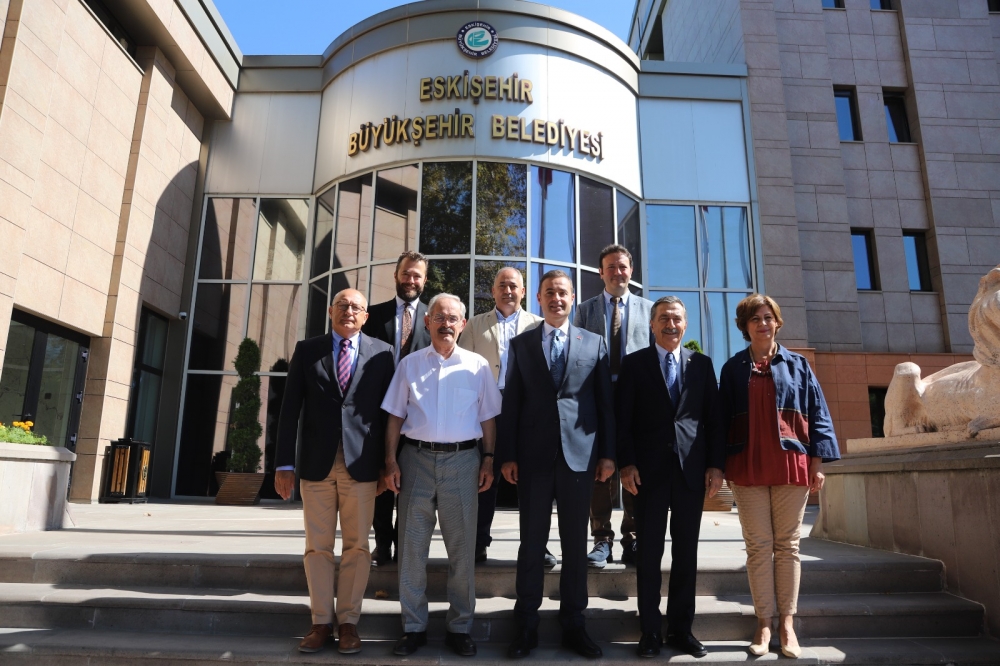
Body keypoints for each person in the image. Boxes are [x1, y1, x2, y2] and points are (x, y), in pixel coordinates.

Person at [498, 269, 616, 660]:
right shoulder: (521, 344)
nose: (556, 298)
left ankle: (574, 625)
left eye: (563, 292)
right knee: (531, 543)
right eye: (549, 292)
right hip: (532, 459)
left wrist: (608, 455)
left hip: (579, 459)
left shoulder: (594, 343)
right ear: (538, 298)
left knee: (574, 544)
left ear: (572, 297)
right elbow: (511, 403)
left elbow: (604, 404)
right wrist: (507, 455)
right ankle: (526, 625)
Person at [718, 294, 840, 658]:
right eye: (755, 318)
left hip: (791, 464)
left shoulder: (798, 365)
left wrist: (818, 462)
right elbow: (721, 421)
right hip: (746, 466)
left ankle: (787, 622)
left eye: (768, 317)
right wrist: (717, 465)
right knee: (759, 547)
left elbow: (818, 414)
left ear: (777, 322)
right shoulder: (733, 368)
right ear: (745, 326)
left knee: (787, 546)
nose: (763, 324)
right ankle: (763, 622)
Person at [274, 289, 396, 654]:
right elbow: (289, 409)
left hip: (363, 466)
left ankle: (348, 623)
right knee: (317, 547)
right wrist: (284, 464)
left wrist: (386, 465)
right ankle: (320, 622)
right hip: (316, 465)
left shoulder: (383, 353)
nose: (349, 311)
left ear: (365, 317)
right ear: (330, 311)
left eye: (356, 307)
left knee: (358, 546)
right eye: (342, 305)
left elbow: (390, 415)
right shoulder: (307, 350)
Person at [381, 293, 502, 657]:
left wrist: (488, 460)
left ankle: (460, 627)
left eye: (453, 318)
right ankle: (413, 627)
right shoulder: (409, 365)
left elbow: (488, 419)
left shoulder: (478, 366)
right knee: (411, 549)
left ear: (463, 325)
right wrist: (390, 461)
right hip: (415, 462)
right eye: (439, 317)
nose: (446, 324)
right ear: (427, 322)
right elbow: (395, 417)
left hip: (463, 463)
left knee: (462, 552)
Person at [617, 296, 724, 658]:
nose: (671, 324)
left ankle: (681, 629)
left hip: (690, 472)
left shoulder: (702, 365)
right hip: (647, 475)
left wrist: (716, 465)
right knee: (648, 553)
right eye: (663, 318)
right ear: (652, 325)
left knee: (686, 553)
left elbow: (713, 420)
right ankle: (649, 630)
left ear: (685, 324)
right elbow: (623, 420)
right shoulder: (634, 364)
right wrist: (626, 463)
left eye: (676, 319)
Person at [457, 267, 544, 564]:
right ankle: (478, 542)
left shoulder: (539, 325)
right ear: (493, 291)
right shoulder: (474, 325)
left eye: (513, 286)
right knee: (485, 476)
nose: (508, 291)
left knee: (532, 480)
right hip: (487, 408)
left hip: (527, 409)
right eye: (502, 286)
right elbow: (463, 366)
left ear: (523, 292)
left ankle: (537, 546)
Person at [574, 244, 654, 567]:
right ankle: (601, 540)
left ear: (631, 271)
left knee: (635, 469)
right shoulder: (584, 311)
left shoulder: (650, 309)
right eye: (611, 267)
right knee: (600, 471)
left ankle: (632, 539)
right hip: (598, 399)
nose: (617, 272)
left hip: (637, 402)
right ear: (600, 272)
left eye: (623, 267)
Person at [361, 251, 431, 566]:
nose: (411, 280)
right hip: (378, 414)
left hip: (418, 416)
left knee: (411, 485)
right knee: (382, 482)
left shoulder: (434, 317)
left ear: (425, 280)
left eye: (417, 275)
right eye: (406, 274)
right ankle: (383, 545)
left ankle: (404, 546)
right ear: (396, 275)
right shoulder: (373, 316)